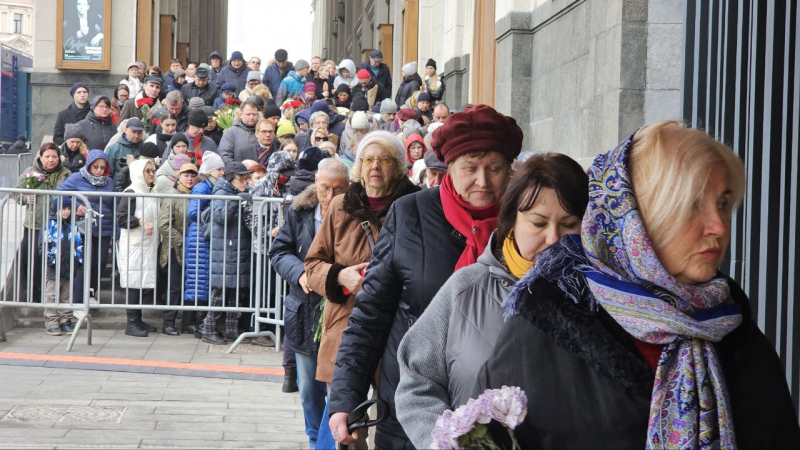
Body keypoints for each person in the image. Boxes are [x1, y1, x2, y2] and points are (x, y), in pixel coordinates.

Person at [473, 121, 800, 447]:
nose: (718, 225)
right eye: (693, 204)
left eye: (723, 204)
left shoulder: (729, 321)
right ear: (633, 217)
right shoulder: (548, 319)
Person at [327, 105, 522, 449]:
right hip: (409, 411)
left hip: (503, 414)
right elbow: (371, 315)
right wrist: (346, 398)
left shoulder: (526, 223)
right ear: (449, 169)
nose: (482, 180)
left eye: (494, 168)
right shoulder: (410, 213)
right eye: (470, 168)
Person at [395, 153, 590, 447]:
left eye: (568, 223)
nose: (553, 238)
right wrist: (448, 443)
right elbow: (417, 383)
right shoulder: (466, 287)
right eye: (538, 223)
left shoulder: (601, 298)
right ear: (512, 220)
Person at [268, 157, 349, 449]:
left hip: (339, 310)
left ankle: (329, 443)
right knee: (308, 389)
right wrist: (301, 272)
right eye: (325, 188)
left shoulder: (354, 214)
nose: (331, 196)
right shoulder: (300, 212)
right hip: (303, 310)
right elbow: (279, 251)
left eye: (339, 189)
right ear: (316, 184)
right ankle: (316, 439)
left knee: (337, 387)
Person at [57, 150, 116, 309]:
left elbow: (114, 205)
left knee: (100, 262)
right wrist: (76, 205)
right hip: (83, 227)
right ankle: (77, 299)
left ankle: (91, 293)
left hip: (104, 227)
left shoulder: (109, 182)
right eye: (95, 167)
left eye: (102, 167)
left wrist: (115, 232)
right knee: (83, 262)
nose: (98, 170)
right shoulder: (77, 177)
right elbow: (59, 193)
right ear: (89, 165)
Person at [200, 162, 252, 344]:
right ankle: (208, 328)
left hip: (236, 248)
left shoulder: (234, 191)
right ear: (231, 179)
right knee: (220, 291)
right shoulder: (221, 193)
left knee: (236, 291)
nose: (245, 182)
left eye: (246, 178)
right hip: (225, 249)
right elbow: (221, 217)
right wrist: (237, 202)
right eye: (241, 179)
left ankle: (232, 329)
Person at [16, 143, 72, 303]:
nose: (51, 160)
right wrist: (26, 198)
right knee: (33, 260)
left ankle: (53, 295)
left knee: (54, 261)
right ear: (40, 157)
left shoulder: (65, 174)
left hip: (57, 225)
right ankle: (33, 294)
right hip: (35, 224)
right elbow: (16, 193)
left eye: (54, 156)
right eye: (47, 156)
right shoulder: (30, 172)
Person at [116, 159, 159, 337]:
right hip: (134, 244)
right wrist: (140, 222)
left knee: (141, 282)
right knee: (133, 283)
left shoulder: (149, 192)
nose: (151, 174)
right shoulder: (131, 192)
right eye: (147, 171)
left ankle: (138, 319)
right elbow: (122, 218)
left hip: (146, 244)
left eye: (152, 170)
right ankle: (131, 323)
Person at [184, 152, 225, 336]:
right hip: (199, 239)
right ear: (210, 171)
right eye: (219, 169)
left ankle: (198, 322)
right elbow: (193, 213)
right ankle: (196, 322)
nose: (222, 173)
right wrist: (212, 209)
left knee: (201, 281)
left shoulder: (209, 186)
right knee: (198, 281)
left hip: (203, 238)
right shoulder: (202, 188)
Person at [159, 162, 198, 335]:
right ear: (179, 177)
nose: (189, 179)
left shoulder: (198, 195)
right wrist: (182, 241)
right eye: (186, 175)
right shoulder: (172, 195)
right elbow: (163, 224)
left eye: (192, 175)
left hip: (194, 248)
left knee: (191, 286)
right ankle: (168, 323)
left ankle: (188, 322)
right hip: (175, 248)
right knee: (174, 287)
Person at [40, 203, 82, 336]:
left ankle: (66, 321)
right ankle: (51, 322)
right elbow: (44, 245)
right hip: (54, 267)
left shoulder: (72, 225)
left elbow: (78, 243)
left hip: (69, 267)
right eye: (64, 209)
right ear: (56, 209)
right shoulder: (50, 225)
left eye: (69, 209)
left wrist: (77, 260)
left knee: (66, 295)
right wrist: (50, 260)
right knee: (51, 295)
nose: (67, 212)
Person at [218, 100, 259, 164]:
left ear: (258, 115)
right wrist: (239, 170)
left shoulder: (264, 131)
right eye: (248, 114)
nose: (251, 117)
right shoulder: (231, 133)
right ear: (240, 115)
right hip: (238, 172)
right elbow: (225, 156)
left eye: (254, 114)